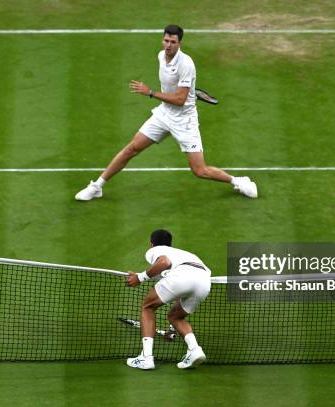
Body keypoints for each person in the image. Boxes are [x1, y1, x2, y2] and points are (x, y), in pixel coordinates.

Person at [75, 24, 257, 201]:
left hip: (185, 121)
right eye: (166, 40)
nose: (168, 45)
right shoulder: (161, 56)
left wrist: (151, 93)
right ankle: (96, 186)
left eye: (173, 42)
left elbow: (180, 100)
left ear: (180, 44)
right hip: (164, 114)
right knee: (132, 148)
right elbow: (173, 91)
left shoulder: (186, 64)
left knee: (199, 171)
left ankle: (237, 181)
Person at [125, 229, 211, 370]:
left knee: (148, 307)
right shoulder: (186, 254)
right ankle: (195, 350)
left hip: (182, 276)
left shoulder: (155, 250)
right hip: (204, 282)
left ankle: (146, 358)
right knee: (176, 317)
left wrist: (139, 278)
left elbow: (164, 262)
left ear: (151, 244)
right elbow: (167, 272)